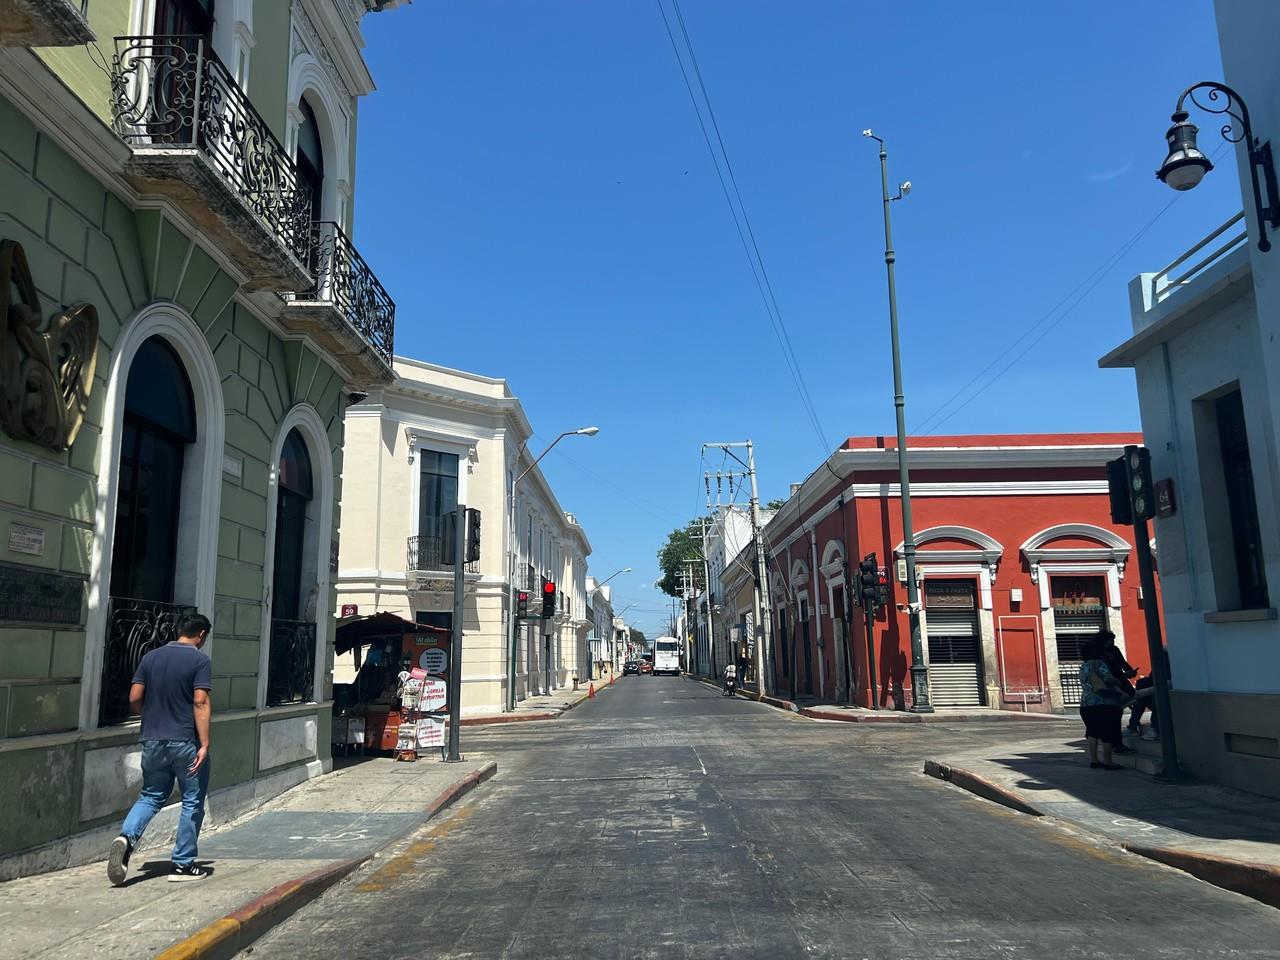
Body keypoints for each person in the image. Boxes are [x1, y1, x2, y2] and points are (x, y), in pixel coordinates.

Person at [107, 614, 214, 885]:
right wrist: (204, 744)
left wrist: (152, 716)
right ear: (201, 634)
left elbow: (134, 698)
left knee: (151, 795)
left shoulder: (150, 658)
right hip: (185, 741)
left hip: (152, 740)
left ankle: (126, 837)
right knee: (192, 800)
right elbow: (200, 702)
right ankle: (182, 865)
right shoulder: (199, 660)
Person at [1078, 633, 1129, 770]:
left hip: (1086, 704)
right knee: (1108, 731)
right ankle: (1108, 761)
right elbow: (1108, 680)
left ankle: (1094, 759)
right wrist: (1119, 682)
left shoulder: (1083, 666)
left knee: (1092, 732)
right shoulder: (1099, 664)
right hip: (1104, 703)